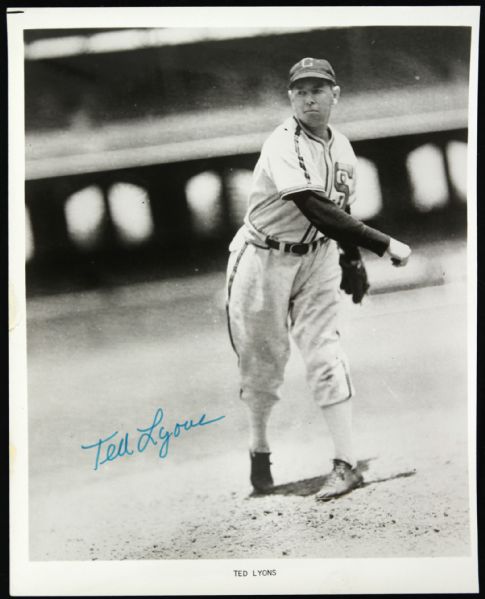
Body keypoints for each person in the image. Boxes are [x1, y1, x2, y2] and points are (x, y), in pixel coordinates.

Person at [225, 57, 411, 501]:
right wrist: (382, 244)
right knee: (262, 362)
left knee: (326, 351)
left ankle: (346, 463)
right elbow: (312, 204)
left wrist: (351, 258)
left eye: (318, 89)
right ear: (291, 97)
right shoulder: (282, 143)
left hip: (319, 256)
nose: (310, 97)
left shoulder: (342, 147)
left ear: (335, 94)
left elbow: (339, 212)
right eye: (301, 90)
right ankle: (259, 446)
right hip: (262, 255)